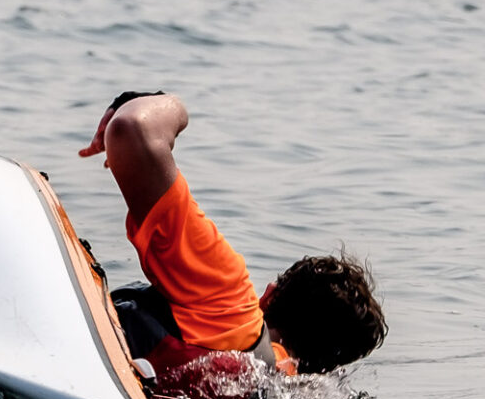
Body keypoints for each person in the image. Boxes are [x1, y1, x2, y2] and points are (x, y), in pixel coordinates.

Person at [78, 91, 387, 383]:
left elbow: (131, 128)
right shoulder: (277, 396)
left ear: (269, 295)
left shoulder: (228, 300)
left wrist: (155, 102)